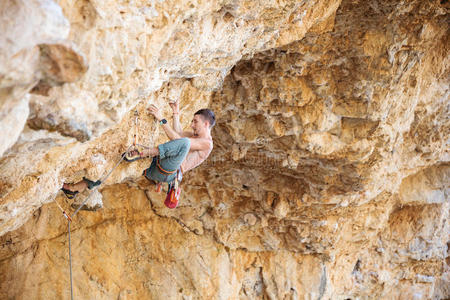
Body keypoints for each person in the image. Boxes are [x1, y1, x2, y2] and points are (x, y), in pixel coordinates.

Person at [61, 100, 215, 203]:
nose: (192, 124)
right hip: (158, 164)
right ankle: (74, 189)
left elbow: (179, 141)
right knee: (119, 165)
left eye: (195, 122)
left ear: (206, 124)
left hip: (167, 173)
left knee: (184, 143)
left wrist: (162, 119)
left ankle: (143, 153)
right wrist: (176, 113)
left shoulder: (206, 144)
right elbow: (179, 134)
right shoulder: (194, 136)